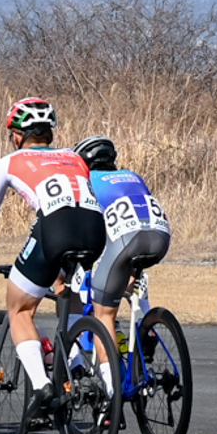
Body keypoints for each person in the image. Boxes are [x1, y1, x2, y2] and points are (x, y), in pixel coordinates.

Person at [0, 98, 108, 414]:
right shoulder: (75, 157)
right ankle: (76, 364)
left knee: (20, 309)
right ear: (49, 132)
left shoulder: (8, 162)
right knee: (67, 294)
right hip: (95, 230)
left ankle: (41, 385)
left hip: (55, 228)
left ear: (16, 135)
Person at [74, 135, 172, 347]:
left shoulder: (87, 181)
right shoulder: (132, 176)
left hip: (127, 240)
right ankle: (146, 326)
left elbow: (85, 227)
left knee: (103, 310)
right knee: (128, 273)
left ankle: (110, 363)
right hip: (160, 236)